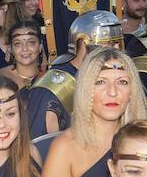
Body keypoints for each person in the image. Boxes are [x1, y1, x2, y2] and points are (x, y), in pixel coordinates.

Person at [39, 45, 147, 177]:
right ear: (85, 89)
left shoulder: (144, 142)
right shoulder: (65, 148)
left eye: (122, 82)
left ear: (132, 91)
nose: (112, 92)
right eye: (100, 82)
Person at [26, 10, 123, 138]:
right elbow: (41, 145)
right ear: (83, 43)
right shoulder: (51, 89)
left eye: (118, 43)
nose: (116, 50)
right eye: (109, 44)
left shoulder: (118, 75)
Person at [0, 21, 44, 93]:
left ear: (40, 47)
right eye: (18, 44)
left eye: (31, 43)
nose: (24, 49)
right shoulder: (0, 79)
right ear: (11, 49)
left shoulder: (49, 77)